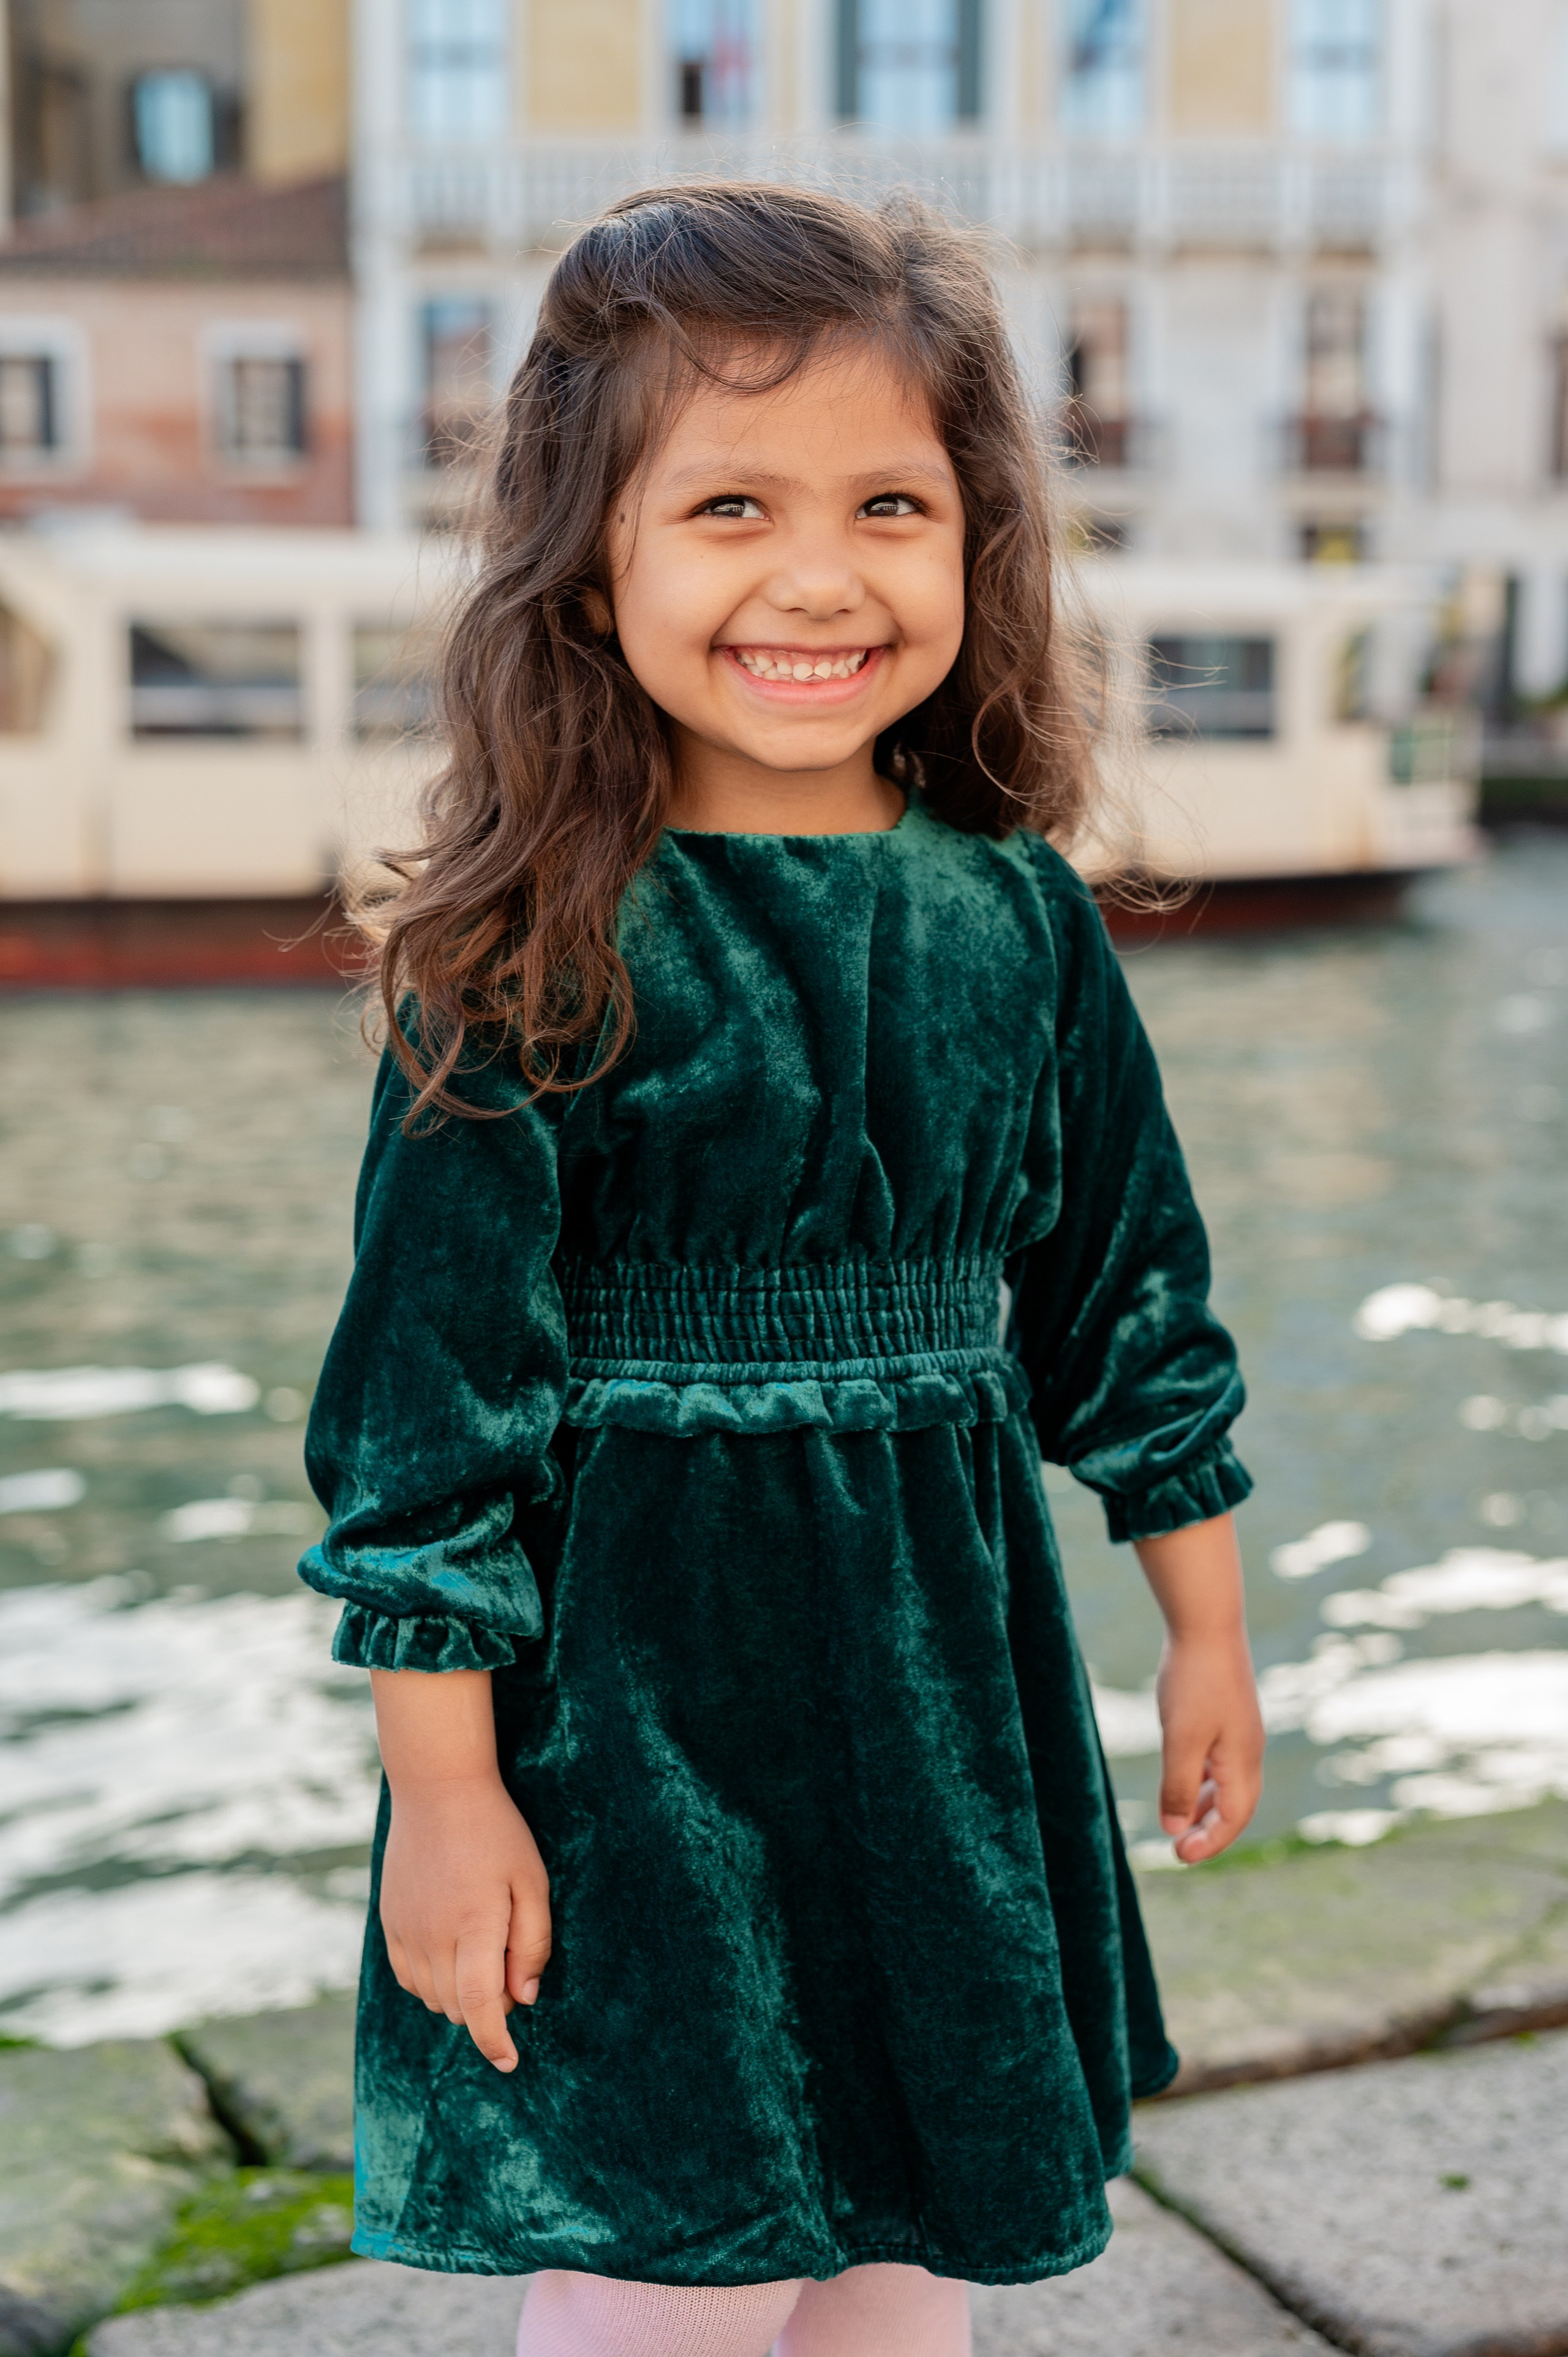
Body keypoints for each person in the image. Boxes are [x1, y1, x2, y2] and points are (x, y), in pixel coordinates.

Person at [300, 181, 1265, 2357]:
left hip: (949, 1691)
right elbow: (423, 1425)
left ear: (979, 540)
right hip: (640, 1720)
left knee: (914, 2227)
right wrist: (444, 1796)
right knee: (669, 2258)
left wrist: (1202, 1626)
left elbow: (1129, 1299)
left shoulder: (1018, 922)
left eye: (893, 506)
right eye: (729, 502)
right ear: (592, 555)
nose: (819, 575)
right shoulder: (525, 953)